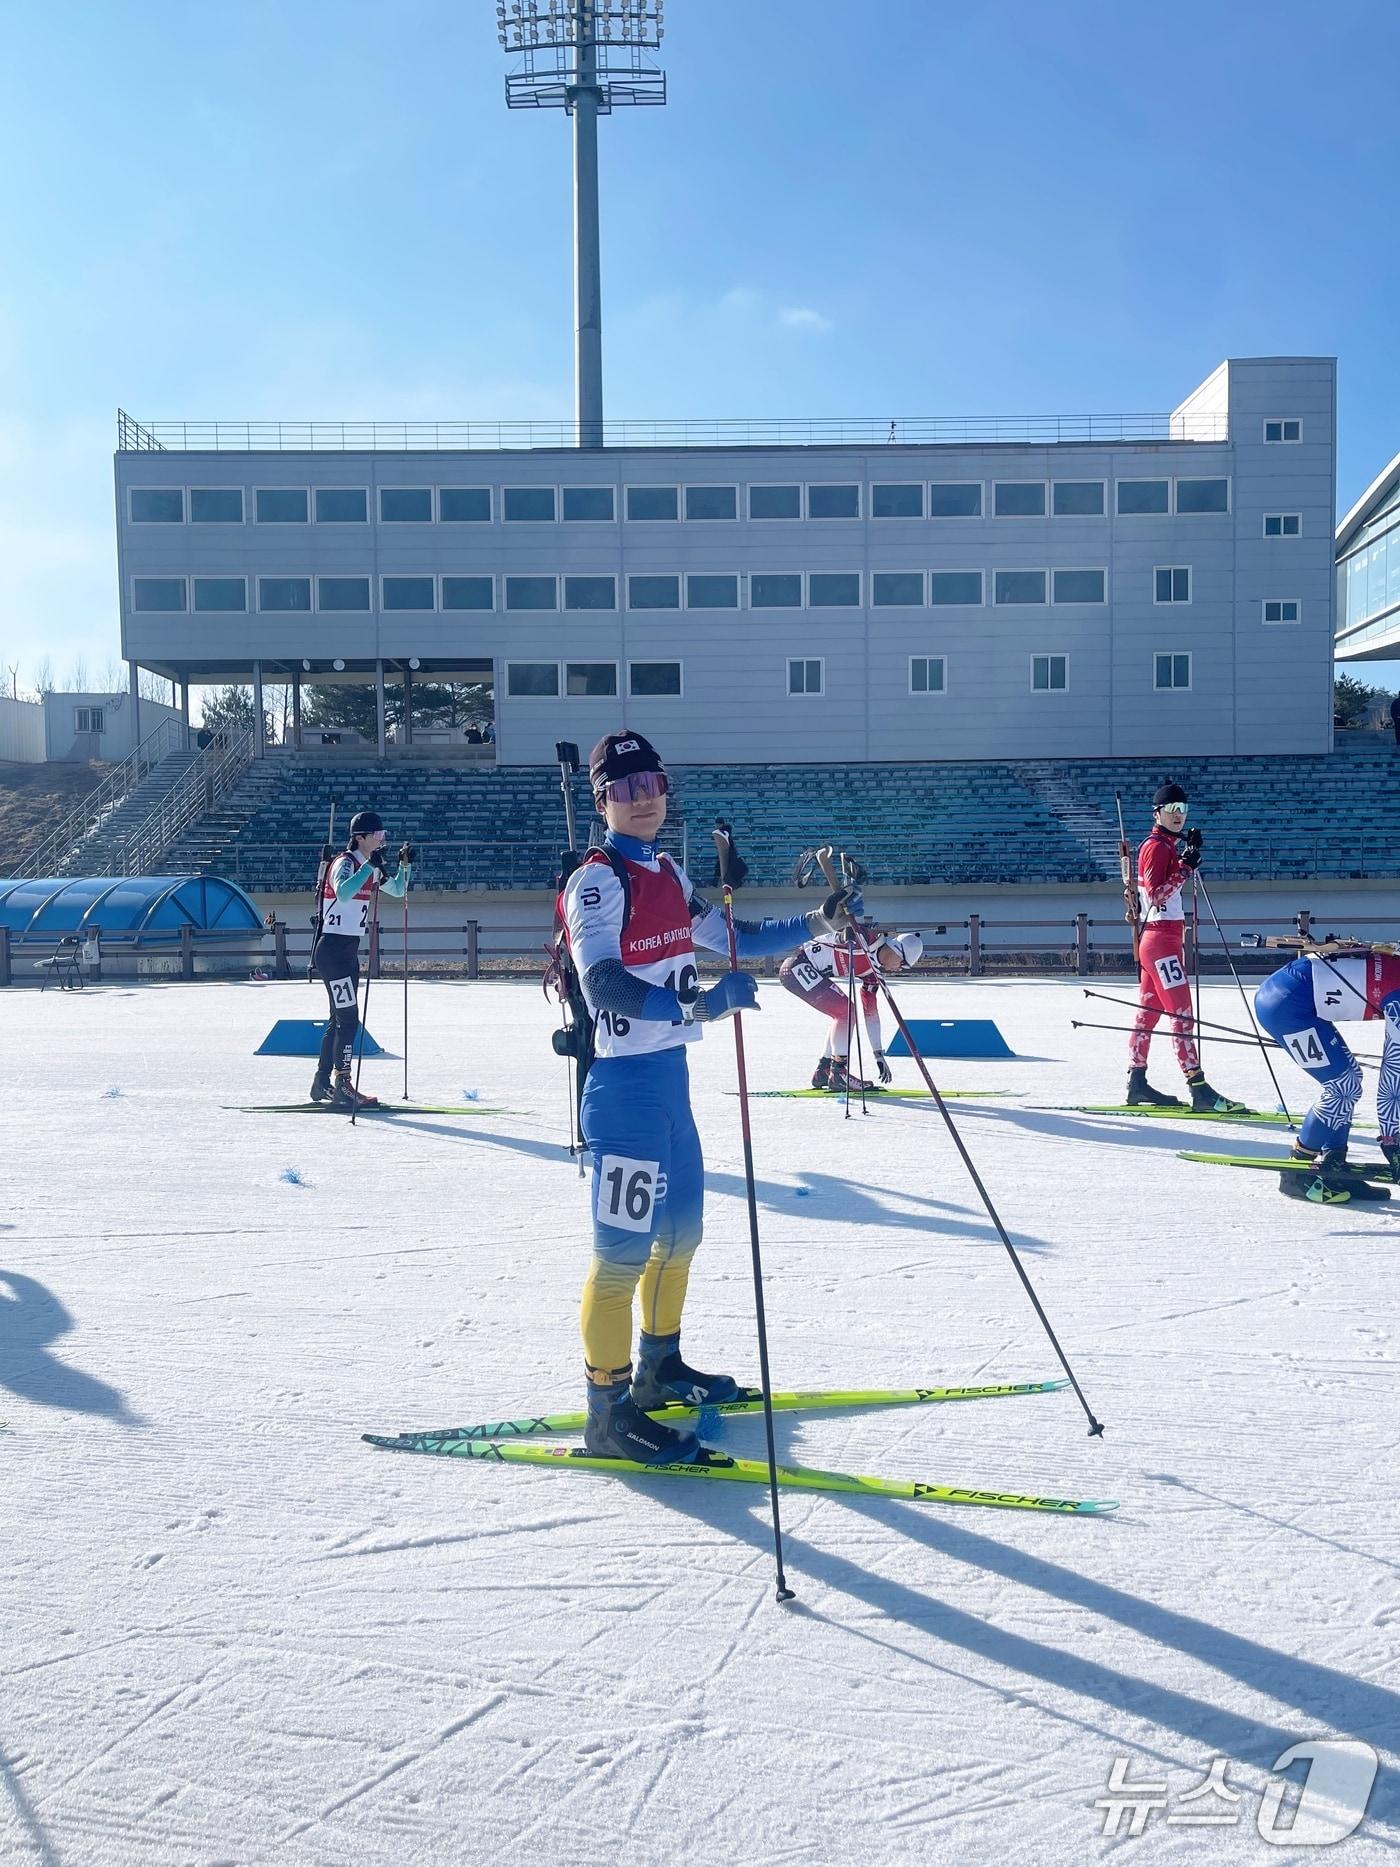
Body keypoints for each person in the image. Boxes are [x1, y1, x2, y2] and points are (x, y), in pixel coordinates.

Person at [558, 730, 861, 1464]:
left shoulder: (666, 869)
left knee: (680, 1237)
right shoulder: (596, 881)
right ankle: (607, 1410)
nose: (645, 801)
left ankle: (660, 1364)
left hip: (670, 1085)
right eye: (628, 790)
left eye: (654, 784)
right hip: (622, 1092)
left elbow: (737, 932)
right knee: (623, 1253)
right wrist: (697, 1007)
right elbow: (603, 983)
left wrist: (818, 922)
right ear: (603, 800)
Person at [1126, 781, 1248, 1113]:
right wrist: (1185, 867)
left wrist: (1184, 855)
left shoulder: (1166, 844)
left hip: (1163, 939)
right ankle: (1199, 1088)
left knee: (1149, 1013)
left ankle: (1136, 1081)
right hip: (1160, 941)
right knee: (1182, 1012)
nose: (1178, 815)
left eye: (1183, 809)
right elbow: (1156, 894)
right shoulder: (1155, 847)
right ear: (1158, 813)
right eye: (1172, 809)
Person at [1254, 946, 1398, 1203]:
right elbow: (1393, 1081)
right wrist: (1393, 1141)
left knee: (1350, 1078)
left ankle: (1334, 1165)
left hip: (1294, 996)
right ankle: (1295, 1172)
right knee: (1343, 1087)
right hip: (1285, 1008)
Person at [310, 811, 412, 1110]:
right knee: (349, 1020)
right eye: (377, 836)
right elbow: (343, 893)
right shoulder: (345, 863)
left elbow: (397, 890)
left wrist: (405, 866)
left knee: (338, 1019)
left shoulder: (370, 866)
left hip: (347, 953)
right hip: (332, 952)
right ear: (361, 838)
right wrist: (369, 866)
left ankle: (322, 1081)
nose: (382, 840)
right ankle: (343, 1084)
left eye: (384, 836)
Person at [779, 925, 924, 1090]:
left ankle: (824, 1070)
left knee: (843, 1013)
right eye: (902, 964)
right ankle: (839, 1072)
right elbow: (836, 933)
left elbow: (871, 1016)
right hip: (797, 966)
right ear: (897, 951)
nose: (899, 969)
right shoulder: (866, 939)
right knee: (845, 1012)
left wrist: (879, 1055)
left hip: (807, 971)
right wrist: (843, 936)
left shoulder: (873, 975)